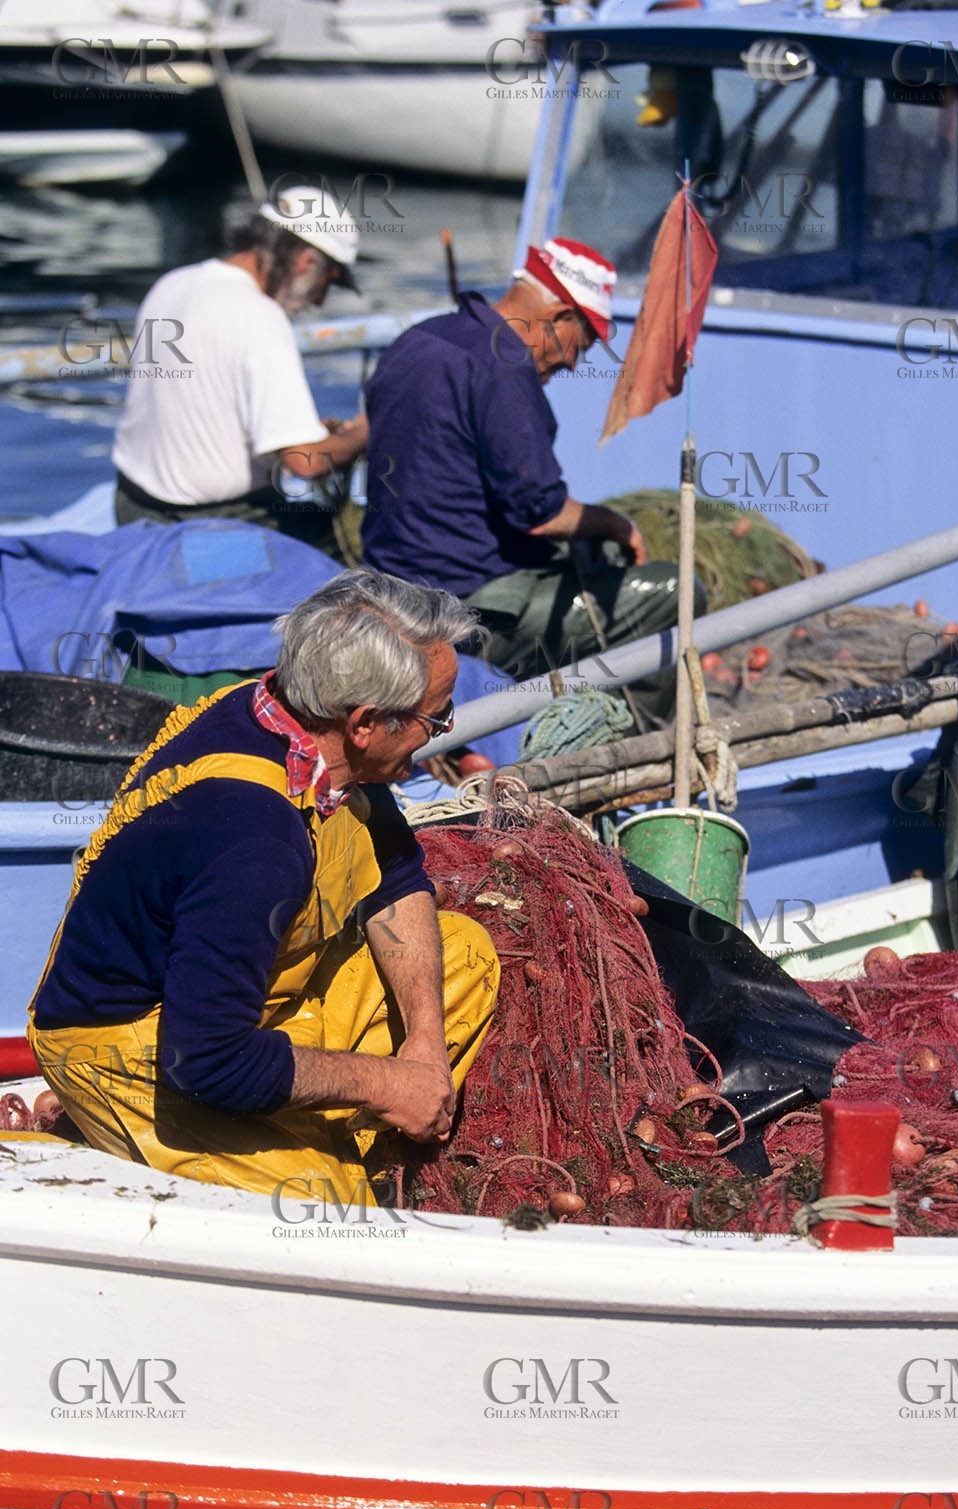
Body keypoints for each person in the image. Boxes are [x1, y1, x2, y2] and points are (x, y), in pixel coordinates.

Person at [27, 572, 499, 1206]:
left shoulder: (292, 724)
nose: (439, 732)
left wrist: (424, 1045)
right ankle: (76, 1147)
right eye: (432, 718)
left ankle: (300, 1131)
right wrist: (386, 1086)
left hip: (249, 1007)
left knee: (463, 952)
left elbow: (397, 877)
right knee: (321, 1210)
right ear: (364, 722)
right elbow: (208, 1063)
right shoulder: (253, 840)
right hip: (143, 1050)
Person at [361, 236, 705, 720]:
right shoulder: (504, 367)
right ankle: (626, 733)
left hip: (392, 592)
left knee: (591, 555)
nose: (571, 364)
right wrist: (615, 524)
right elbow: (540, 514)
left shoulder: (420, 339)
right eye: (579, 346)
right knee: (676, 591)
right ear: (562, 316)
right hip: (466, 612)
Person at [112, 185, 369, 559]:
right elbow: (304, 463)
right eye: (326, 283)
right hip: (203, 528)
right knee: (348, 549)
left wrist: (311, 433)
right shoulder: (258, 317)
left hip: (131, 506)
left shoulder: (173, 283)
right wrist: (365, 435)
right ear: (306, 263)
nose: (319, 301)